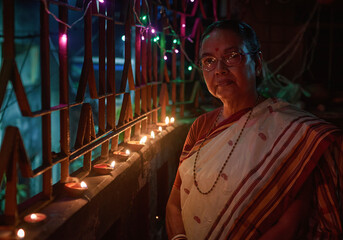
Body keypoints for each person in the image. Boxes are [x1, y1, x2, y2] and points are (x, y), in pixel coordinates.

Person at [165, 19, 343, 240]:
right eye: (209, 60)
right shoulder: (200, 126)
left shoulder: (293, 133)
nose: (219, 70)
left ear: (257, 63)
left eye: (232, 56)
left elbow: (289, 226)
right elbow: (174, 202)